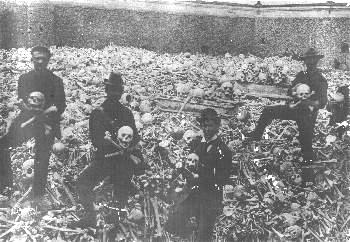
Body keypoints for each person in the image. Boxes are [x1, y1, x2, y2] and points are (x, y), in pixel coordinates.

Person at [71, 72, 145, 228]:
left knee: (120, 194)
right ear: (107, 90)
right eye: (112, 90)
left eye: (117, 90)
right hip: (105, 160)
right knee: (82, 183)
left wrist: (127, 148)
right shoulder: (98, 114)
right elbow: (97, 141)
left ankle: (116, 222)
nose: (115, 93)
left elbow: (136, 138)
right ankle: (91, 216)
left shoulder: (127, 113)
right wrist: (116, 147)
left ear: (121, 92)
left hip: (123, 161)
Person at [0, 46, 66, 201]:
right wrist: (31, 111)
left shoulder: (56, 81)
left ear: (48, 60)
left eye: (43, 58)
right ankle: (5, 184)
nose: (40, 61)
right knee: (2, 144)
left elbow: (61, 105)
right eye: (37, 58)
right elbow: (22, 99)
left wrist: (46, 115)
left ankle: (38, 195)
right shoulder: (24, 79)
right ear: (32, 59)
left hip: (47, 123)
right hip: (26, 121)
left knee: (42, 157)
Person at [244, 48, 328, 166]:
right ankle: (255, 136)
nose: (310, 62)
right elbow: (290, 90)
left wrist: (310, 102)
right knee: (268, 110)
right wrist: (295, 92)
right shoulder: (301, 75)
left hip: (308, 112)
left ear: (316, 61)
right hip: (294, 108)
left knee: (306, 135)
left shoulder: (321, 79)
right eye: (308, 60)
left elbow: (323, 101)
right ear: (305, 61)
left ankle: (308, 160)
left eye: (313, 59)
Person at [165, 108, 232, 242]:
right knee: (173, 223)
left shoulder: (224, 150)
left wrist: (201, 178)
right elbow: (189, 164)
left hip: (210, 195)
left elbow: (223, 178)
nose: (207, 129)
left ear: (217, 126)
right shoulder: (196, 144)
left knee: (204, 233)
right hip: (192, 191)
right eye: (204, 126)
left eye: (210, 126)